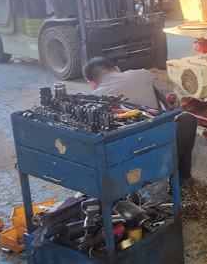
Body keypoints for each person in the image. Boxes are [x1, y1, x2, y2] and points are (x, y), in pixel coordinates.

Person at [82, 57, 198, 190]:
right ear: (117, 69)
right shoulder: (143, 74)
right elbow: (175, 104)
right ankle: (181, 178)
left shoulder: (94, 101)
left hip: (125, 167)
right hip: (163, 154)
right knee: (187, 119)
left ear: (92, 84)